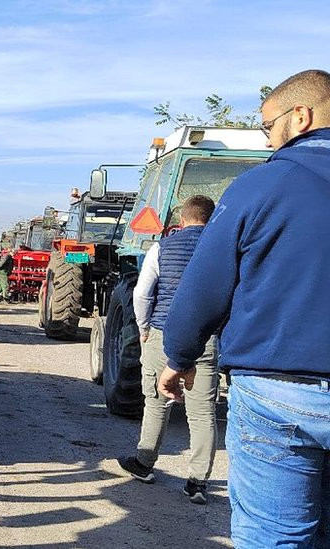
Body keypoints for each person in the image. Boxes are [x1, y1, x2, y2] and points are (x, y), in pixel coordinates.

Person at [159, 69, 330, 546]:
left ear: (300, 116)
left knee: (275, 536)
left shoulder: (260, 187)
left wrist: (178, 356)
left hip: (279, 390)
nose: (268, 139)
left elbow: (206, 288)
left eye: (267, 126)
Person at [116, 195, 218, 504]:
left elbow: (144, 292)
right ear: (211, 219)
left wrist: (144, 327)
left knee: (157, 402)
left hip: (163, 333)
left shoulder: (162, 247)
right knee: (202, 413)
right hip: (206, 337)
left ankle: (144, 463)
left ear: (183, 220)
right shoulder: (220, 248)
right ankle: (197, 483)